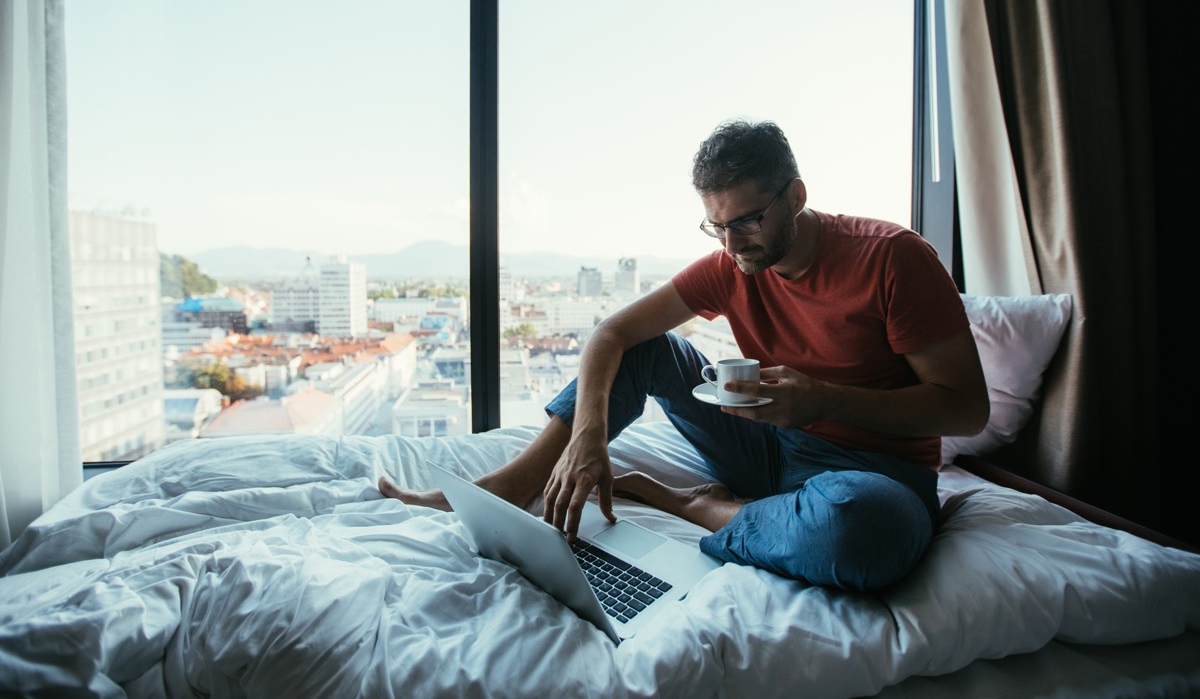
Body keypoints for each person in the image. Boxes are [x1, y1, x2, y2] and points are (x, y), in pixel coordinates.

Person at [380, 118, 989, 591]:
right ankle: (513, 483)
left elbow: (965, 409)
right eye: (714, 226)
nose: (731, 243)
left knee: (859, 535)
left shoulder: (891, 258)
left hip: (876, 476)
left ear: (796, 195)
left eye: (746, 221)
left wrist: (823, 400)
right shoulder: (730, 264)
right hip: (773, 450)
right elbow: (611, 334)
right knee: (646, 349)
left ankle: (697, 505)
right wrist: (591, 434)